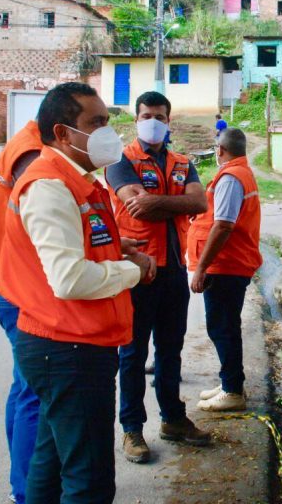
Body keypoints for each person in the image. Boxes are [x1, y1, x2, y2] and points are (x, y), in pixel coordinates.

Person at [0, 82, 156, 503]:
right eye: (96, 123)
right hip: (68, 348)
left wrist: (114, 249)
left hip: (70, 343)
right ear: (63, 133)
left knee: (50, 469)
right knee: (89, 480)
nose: (107, 132)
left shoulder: (75, 180)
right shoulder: (49, 185)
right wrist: (131, 270)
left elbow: (77, 243)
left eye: (107, 121)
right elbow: (68, 278)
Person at [106, 91, 211, 463]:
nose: (154, 121)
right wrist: (171, 202)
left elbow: (200, 203)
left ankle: (173, 419)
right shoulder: (120, 161)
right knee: (132, 354)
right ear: (136, 119)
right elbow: (136, 206)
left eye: (161, 116)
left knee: (171, 351)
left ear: (169, 121)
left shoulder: (184, 163)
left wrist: (155, 201)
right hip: (138, 272)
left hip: (174, 272)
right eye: (147, 115)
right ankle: (132, 429)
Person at [0, 120, 43, 504]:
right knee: (34, 393)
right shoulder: (31, 155)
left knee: (24, 387)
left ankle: (21, 485)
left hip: (9, 285)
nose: (101, 131)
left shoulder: (25, 142)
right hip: (21, 290)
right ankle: (26, 492)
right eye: (94, 123)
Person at [188, 127, 262, 412]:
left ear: (220, 150)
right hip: (231, 263)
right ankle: (230, 381)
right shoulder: (240, 172)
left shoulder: (231, 177)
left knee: (222, 327)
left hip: (226, 265)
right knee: (224, 326)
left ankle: (232, 390)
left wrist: (202, 267)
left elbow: (223, 225)